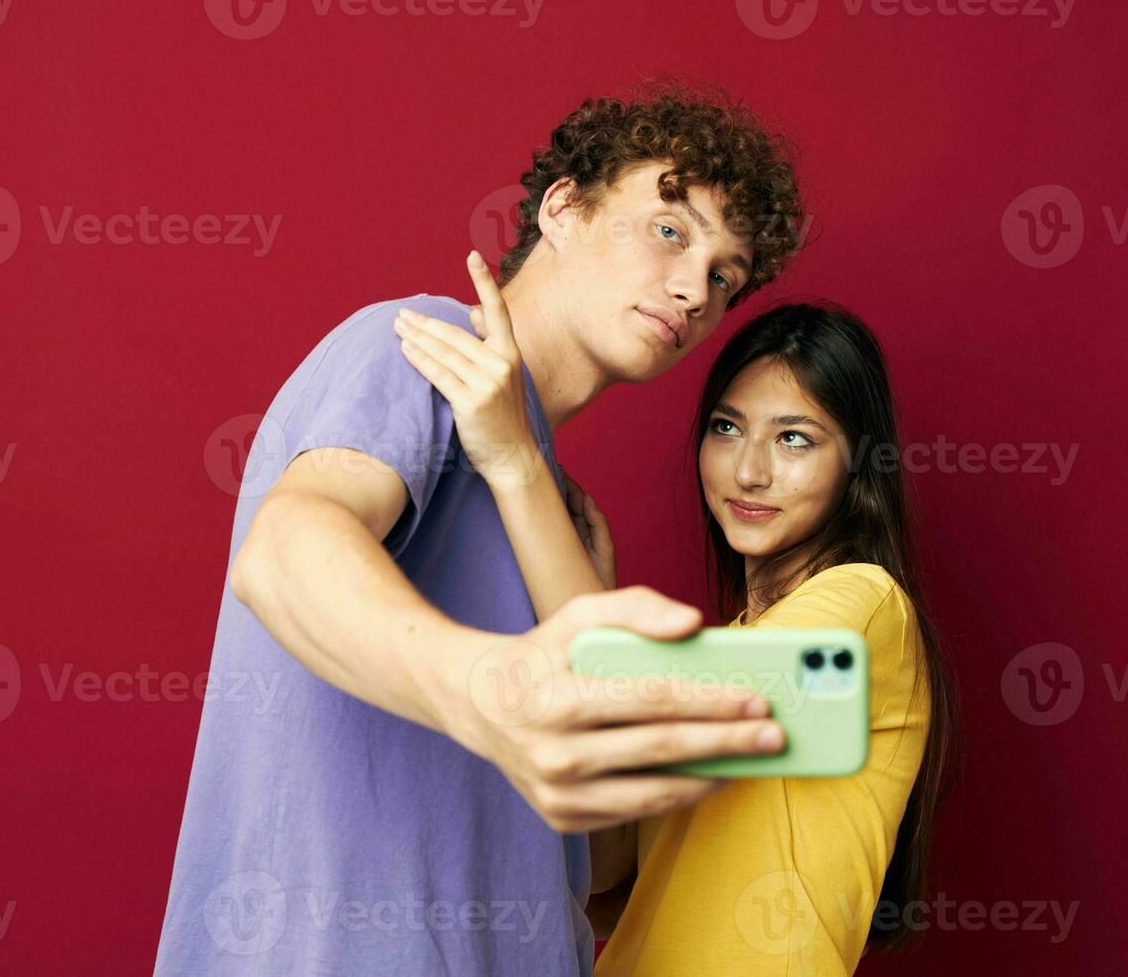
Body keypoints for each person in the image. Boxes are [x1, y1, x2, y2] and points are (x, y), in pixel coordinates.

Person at [153, 88, 806, 976]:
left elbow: (603, 865)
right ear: (564, 209)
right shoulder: (417, 346)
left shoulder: (560, 516)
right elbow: (288, 546)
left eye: (725, 275)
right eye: (669, 230)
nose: (695, 289)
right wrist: (485, 687)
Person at [395, 293, 959, 974]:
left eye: (794, 438)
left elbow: (628, 700)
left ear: (856, 465)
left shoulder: (865, 608)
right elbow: (605, 869)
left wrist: (516, 463)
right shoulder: (737, 650)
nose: (749, 470)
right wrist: (590, 603)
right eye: (727, 428)